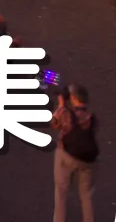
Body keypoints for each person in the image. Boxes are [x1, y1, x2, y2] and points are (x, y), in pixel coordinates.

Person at [53, 84, 97, 222]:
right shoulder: (90, 117)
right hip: (87, 159)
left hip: (66, 157)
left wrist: (61, 105)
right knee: (86, 195)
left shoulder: (67, 114)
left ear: (73, 98)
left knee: (61, 192)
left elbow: (54, 123)